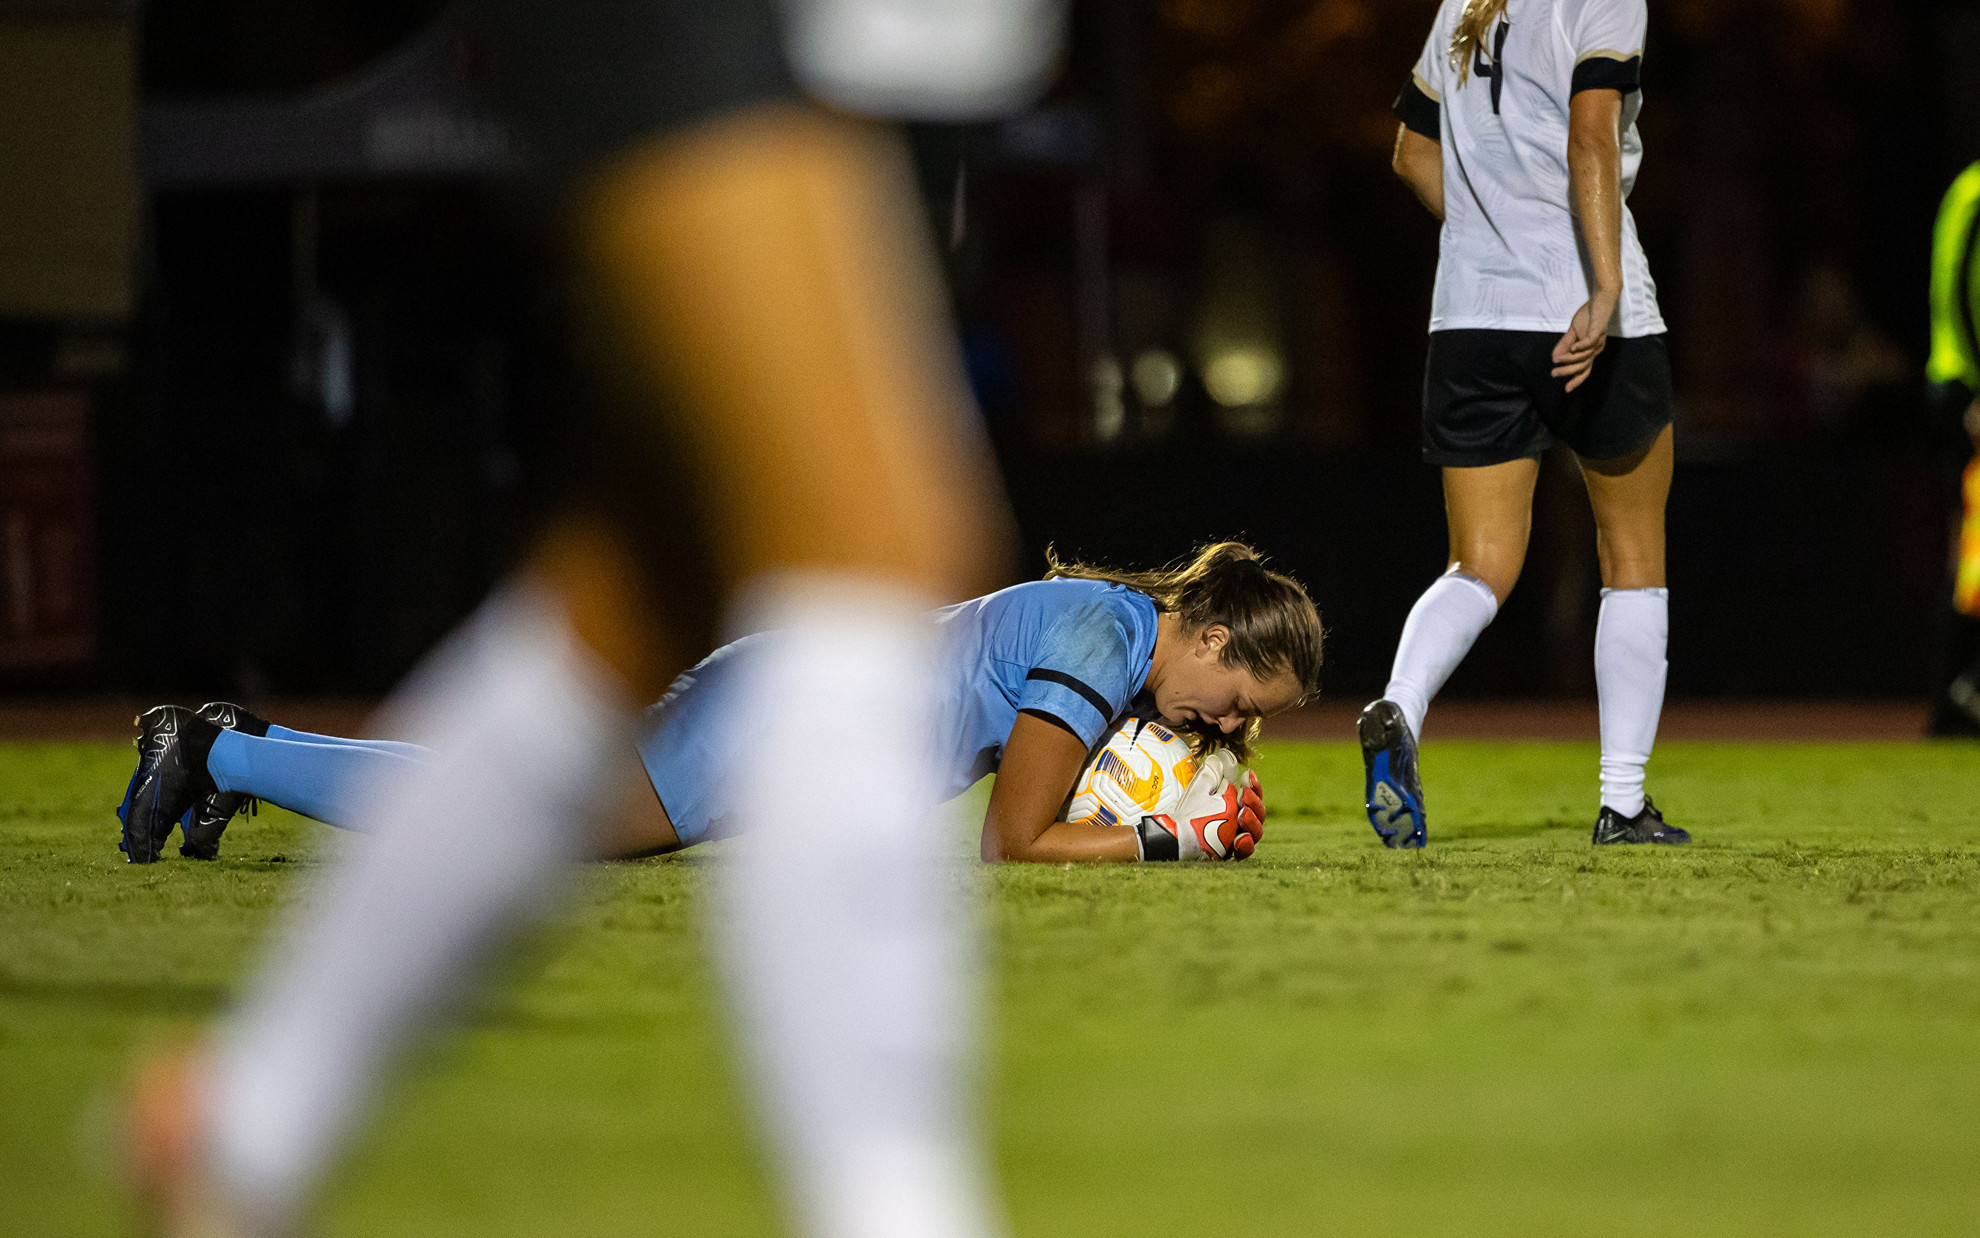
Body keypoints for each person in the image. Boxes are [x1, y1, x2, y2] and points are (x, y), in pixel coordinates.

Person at [119, 2, 1070, 1237]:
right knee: (873, 548)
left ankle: (243, 1123)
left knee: (630, 598)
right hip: (717, 30)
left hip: (845, 48)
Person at [118, 543, 1313, 867]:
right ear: (1207, 632)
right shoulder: (1108, 635)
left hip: (783, 708)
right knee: (497, 822)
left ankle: (243, 746)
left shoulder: (1111, 629)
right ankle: (213, 748)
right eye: (1231, 696)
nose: (1217, 722)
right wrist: (1168, 837)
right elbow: (1019, 840)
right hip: (773, 724)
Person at [1363, 0, 1688, 848]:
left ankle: (1399, 701)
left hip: (1470, 316)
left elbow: (1410, 153)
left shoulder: (1465, 4)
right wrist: (1605, 289)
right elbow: (1593, 136)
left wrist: (1491, 238)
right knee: (1633, 560)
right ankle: (1622, 803)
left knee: (1480, 564)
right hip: (1587, 309)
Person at [1925, 162, 1980, 737]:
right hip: (1963, 385)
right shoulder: (1974, 190)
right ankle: (1954, 693)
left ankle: (1960, 691)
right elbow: (1960, 291)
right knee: (1970, 545)